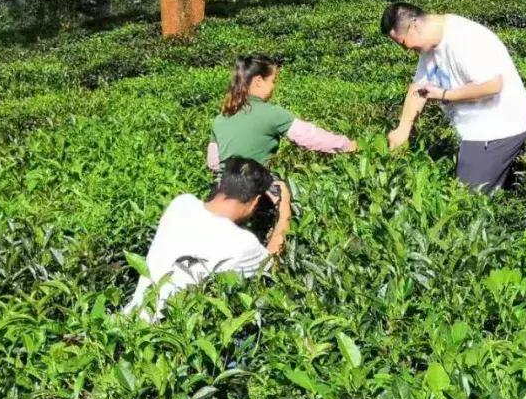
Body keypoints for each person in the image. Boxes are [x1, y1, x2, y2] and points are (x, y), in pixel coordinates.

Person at [381, 2, 526, 192]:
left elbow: (493, 85)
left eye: (403, 44)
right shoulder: (428, 46)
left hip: (497, 128)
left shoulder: (464, 37)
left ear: (415, 26)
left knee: (465, 201)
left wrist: (446, 95)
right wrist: (402, 129)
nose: (406, 50)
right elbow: (418, 87)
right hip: (473, 129)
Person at [124, 157, 290, 322]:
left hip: (129, 320)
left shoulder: (181, 204)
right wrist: (284, 211)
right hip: (164, 334)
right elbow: (272, 261)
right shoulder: (244, 244)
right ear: (256, 202)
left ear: (221, 185)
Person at [206, 55, 356, 218]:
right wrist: (349, 145)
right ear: (258, 81)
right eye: (273, 81)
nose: (273, 87)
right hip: (255, 190)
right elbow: (310, 136)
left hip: (221, 192)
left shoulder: (221, 118)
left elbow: (213, 162)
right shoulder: (272, 113)